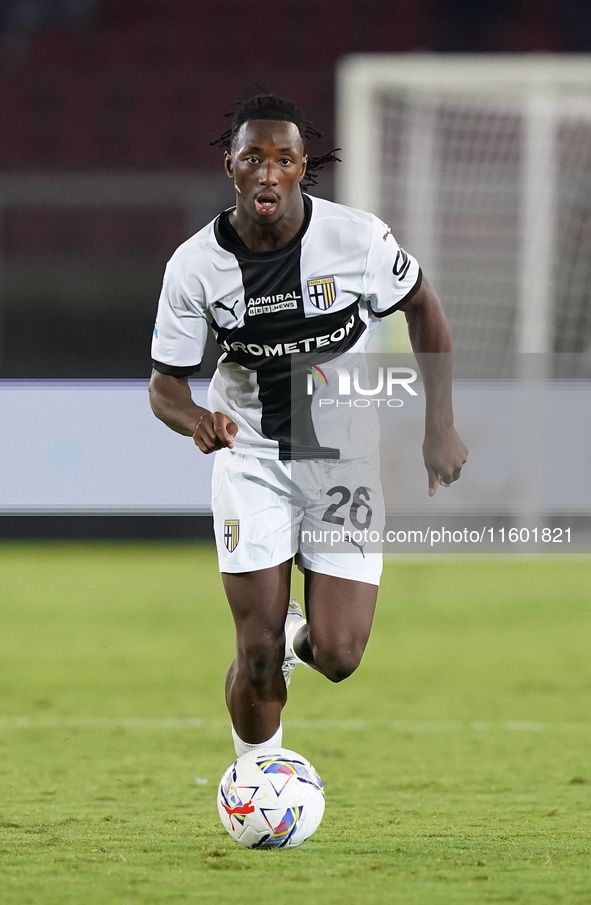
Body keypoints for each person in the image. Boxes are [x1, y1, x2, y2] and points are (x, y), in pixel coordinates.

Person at [149, 93, 468, 759]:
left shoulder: (354, 238)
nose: (268, 171)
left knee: (339, 653)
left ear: (302, 168)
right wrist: (195, 420)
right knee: (255, 651)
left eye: (284, 158)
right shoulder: (194, 266)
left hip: (341, 456)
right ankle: (254, 780)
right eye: (253, 157)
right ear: (231, 167)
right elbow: (165, 386)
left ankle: (300, 635)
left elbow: (422, 305)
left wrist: (438, 424)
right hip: (252, 458)